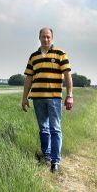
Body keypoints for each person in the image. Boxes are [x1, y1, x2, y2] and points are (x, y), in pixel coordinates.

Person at [21, 27, 73, 173]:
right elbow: (29, 78)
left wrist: (70, 95)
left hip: (54, 99)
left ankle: (55, 162)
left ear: (52, 38)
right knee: (43, 129)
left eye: (48, 37)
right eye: (43, 37)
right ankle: (47, 155)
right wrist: (24, 98)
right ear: (39, 38)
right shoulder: (33, 56)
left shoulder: (60, 54)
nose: (46, 39)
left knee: (55, 129)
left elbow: (68, 76)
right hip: (37, 98)